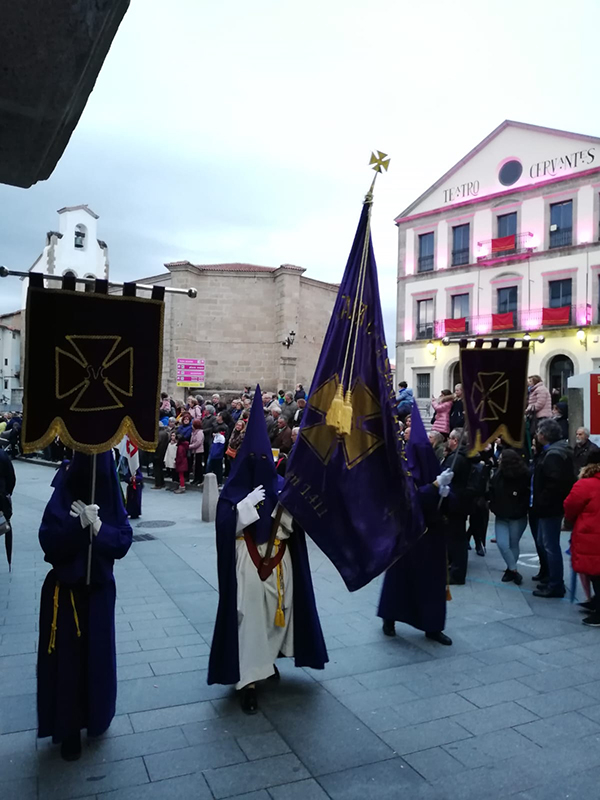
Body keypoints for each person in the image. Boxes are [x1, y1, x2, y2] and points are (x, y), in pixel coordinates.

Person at [208, 388, 328, 713]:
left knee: (276, 617)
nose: (259, 465)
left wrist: (289, 509)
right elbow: (223, 526)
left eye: (265, 459)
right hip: (247, 563)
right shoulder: (233, 490)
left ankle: (267, 662)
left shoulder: (280, 485)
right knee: (249, 621)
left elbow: (297, 523)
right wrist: (242, 511)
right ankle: (248, 680)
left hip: (278, 562)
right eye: (254, 459)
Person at [37, 452, 132, 760]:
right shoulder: (64, 490)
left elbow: (122, 540)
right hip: (66, 593)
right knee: (68, 664)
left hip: (99, 592)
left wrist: (99, 528)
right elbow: (48, 541)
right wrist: (77, 524)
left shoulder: (110, 492)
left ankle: (95, 715)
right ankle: (68, 728)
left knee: (97, 659)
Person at [378, 402, 453, 646]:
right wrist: (434, 488)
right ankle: (389, 618)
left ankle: (433, 626)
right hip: (409, 534)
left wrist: (447, 494)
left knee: (432, 583)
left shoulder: (435, 467)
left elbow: (450, 501)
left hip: (433, 534)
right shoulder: (404, 470)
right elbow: (409, 499)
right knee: (400, 580)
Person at [531, 419, 575, 598]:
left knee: (550, 545)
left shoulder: (554, 455)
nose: (537, 435)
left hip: (550, 508)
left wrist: (542, 501)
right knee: (544, 542)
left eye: (538, 432)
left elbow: (554, 483)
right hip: (549, 506)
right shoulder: (553, 451)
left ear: (544, 435)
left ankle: (556, 584)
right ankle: (550, 578)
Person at [564, 452, 600, 626]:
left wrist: (570, 521)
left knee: (595, 572)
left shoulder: (585, 484)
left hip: (591, 534)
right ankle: (595, 601)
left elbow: (570, 505)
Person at [489, 449, 530, 584]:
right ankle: (513, 569)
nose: (498, 460)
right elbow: (492, 490)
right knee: (502, 544)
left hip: (516, 516)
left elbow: (525, 495)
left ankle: (510, 569)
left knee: (513, 543)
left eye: (501, 458)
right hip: (501, 515)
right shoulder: (498, 475)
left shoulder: (523, 476)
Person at [441, 428, 471, 585]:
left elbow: (446, 477)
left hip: (455, 503)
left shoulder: (457, 458)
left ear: (455, 441)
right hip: (459, 502)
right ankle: (454, 568)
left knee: (457, 539)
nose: (448, 441)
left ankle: (457, 573)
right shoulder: (462, 456)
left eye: (450, 438)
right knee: (456, 538)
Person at [152, 423, 169, 490]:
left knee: (157, 470)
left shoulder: (158, 434)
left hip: (157, 453)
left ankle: (158, 484)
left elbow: (156, 444)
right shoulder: (165, 433)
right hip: (163, 453)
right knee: (160, 469)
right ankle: (162, 483)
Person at [189, 419, 205, 485]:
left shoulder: (200, 433)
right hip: (194, 451)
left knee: (198, 466)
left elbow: (198, 442)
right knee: (195, 466)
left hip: (198, 451)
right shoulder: (193, 432)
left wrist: (190, 446)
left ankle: (199, 479)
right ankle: (195, 479)